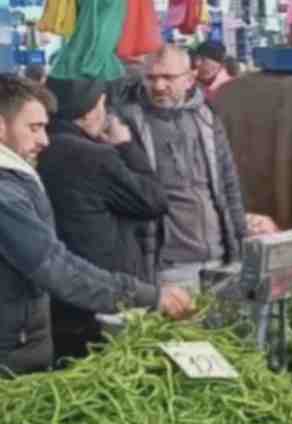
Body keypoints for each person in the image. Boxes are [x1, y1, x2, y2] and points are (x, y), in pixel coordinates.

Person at [0, 76, 191, 376]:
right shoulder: (5, 194)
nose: (44, 140)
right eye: (34, 128)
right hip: (11, 355)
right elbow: (53, 265)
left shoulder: (16, 178)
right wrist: (146, 296)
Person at [38, 78, 169, 361]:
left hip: (54, 293)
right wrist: (125, 146)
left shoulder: (39, 148)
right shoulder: (95, 156)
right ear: (88, 112)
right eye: (103, 105)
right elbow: (153, 200)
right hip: (101, 291)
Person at [117, 45, 249, 292]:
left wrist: (240, 240)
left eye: (168, 77)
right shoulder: (129, 123)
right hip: (167, 264)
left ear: (189, 79)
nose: (158, 86)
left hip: (219, 255)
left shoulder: (206, 117)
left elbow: (228, 183)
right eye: (151, 77)